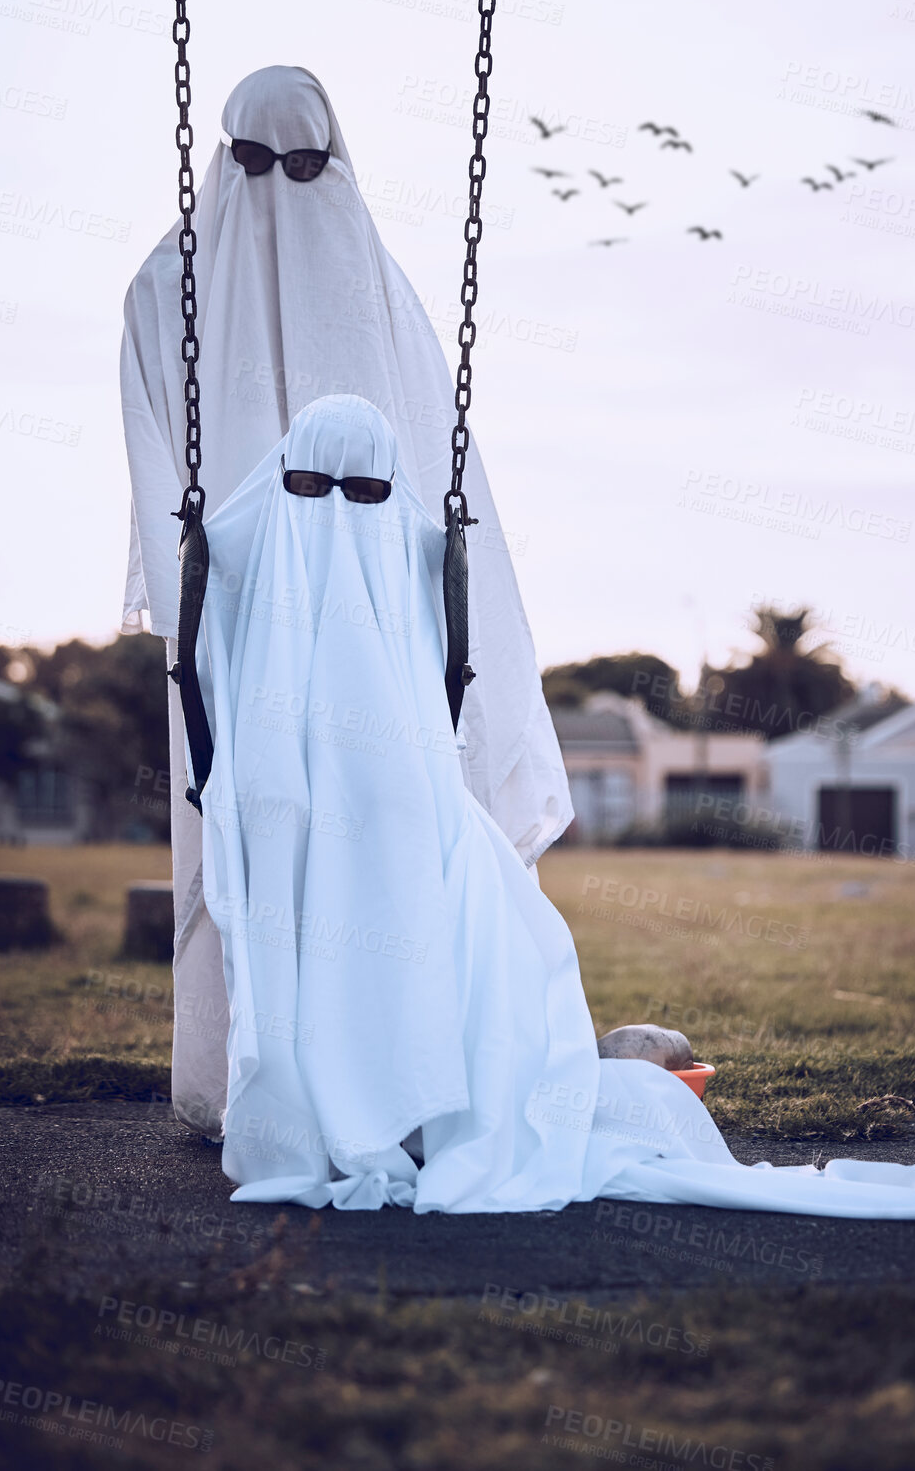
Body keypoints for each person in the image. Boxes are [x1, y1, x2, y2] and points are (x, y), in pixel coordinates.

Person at [194, 394, 915, 1223]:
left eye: (361, 492)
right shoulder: (321, 552)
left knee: (418, 938)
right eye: (315, 488)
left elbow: (263, 560)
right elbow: (220, 561)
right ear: (286, 485)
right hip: (318, 800)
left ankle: (389, 1107)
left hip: (378, 802)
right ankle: (364, 1108)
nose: (338, 516)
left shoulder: (332, 545)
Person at [119, 68, 571, 1138]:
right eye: (257, 165)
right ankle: (243, 1085)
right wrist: (206, 610)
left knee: (383, 826)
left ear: (340, 164)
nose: (282, 191)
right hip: (236, 626)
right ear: (224, 160)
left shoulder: (372, 272)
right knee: (248, 831)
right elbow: (153, 465)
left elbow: (427, 451)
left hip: (378, 622)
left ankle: (398, 1082)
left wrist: (419, 589)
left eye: (307, 167)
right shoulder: (165, 286)